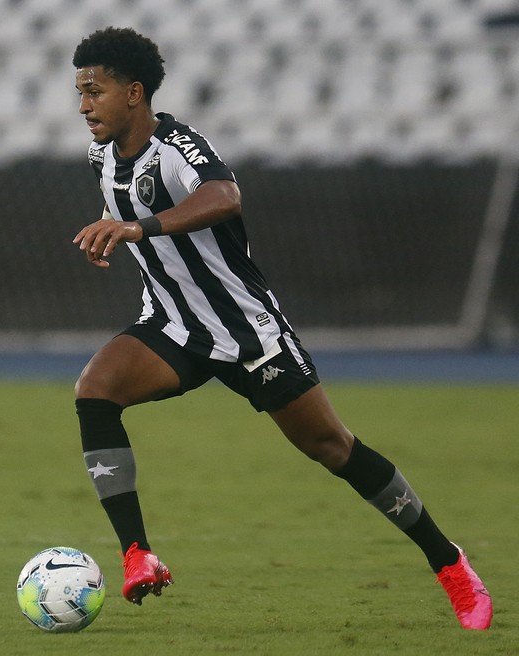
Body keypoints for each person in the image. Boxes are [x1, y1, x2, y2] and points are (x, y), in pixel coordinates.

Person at [69, 26, 492, 630]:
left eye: (95, 92)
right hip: (173, 325)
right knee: (95, 390)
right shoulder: (102, 156)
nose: (84, 106)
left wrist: (139, 228)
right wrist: (111, 232)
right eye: (80, 93)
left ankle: (449, 562)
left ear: (134, 93)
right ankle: (138, 555)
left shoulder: (178, 146)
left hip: (247, 331)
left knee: (332, 447)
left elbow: (225, 196)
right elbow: (138, 219)